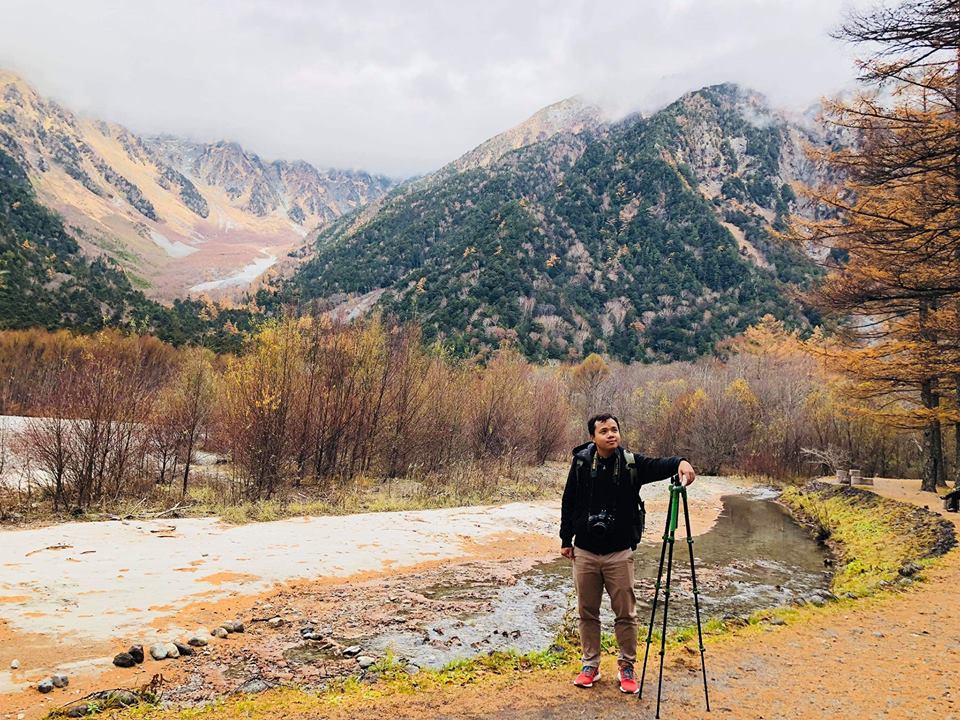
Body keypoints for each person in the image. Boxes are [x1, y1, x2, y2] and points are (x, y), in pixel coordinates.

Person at [560, 413, 696, 694]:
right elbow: (569, 500)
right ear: (593, 437)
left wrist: (681, 462)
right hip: (584, 551)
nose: (611, 435)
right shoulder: (582, 463)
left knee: (625, 614)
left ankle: (627, 666)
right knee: (587, 612)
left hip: (620, 553)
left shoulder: (632, 463)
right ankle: (590, 665)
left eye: (614, 430)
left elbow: (662, 465)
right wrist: (566, 539)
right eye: (604, 431)